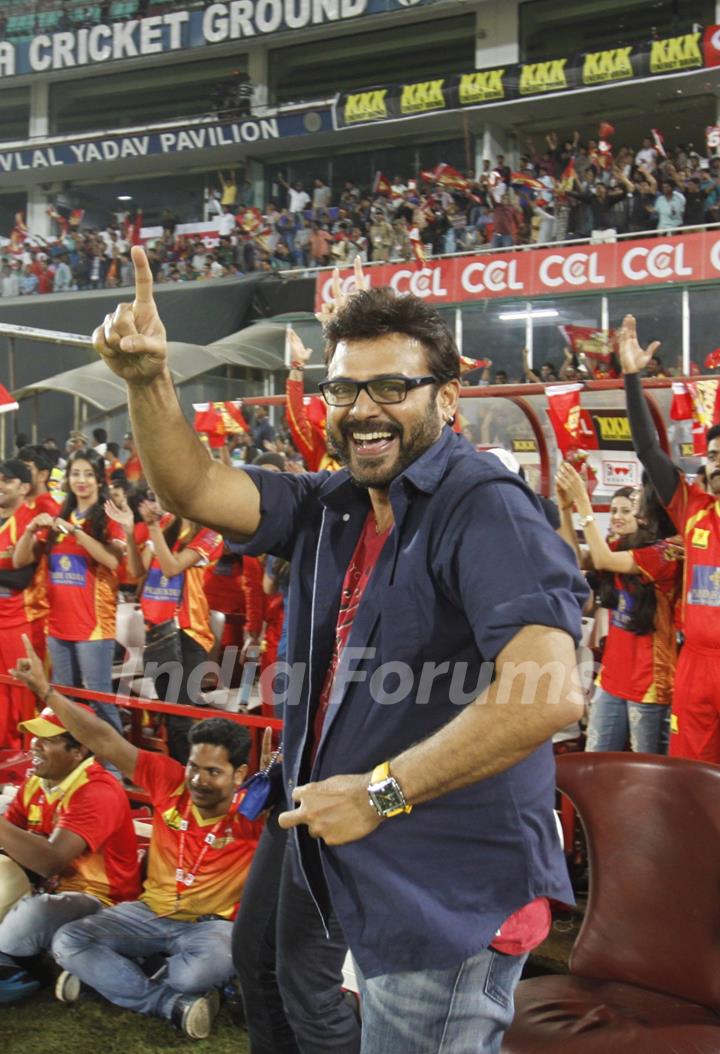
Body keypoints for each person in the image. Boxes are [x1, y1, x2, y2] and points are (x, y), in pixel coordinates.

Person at [91, 248, 587, 1053]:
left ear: (447, 399)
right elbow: (193, 487)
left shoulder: (484, 506)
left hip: (445, 865)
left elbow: (549, 693)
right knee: (274, 979)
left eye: (393, 386)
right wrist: (148, 380)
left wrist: (380, 795)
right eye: (346, 387)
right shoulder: (338, 502)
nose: (365, 408)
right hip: (324, 813)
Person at [10, 641, 262, 1040]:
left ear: (239, 773)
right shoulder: (168, 778)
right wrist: (47, 692)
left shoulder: (254, 812)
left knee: (193, 971)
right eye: (193, 767)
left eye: (212, 772)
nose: (196, 779)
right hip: (147, 914)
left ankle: (138, 977)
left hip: (211, 926)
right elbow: (105, 739)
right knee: (69, 941)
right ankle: (168, 1003)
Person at [619, 315, 720, 762]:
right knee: (692, 780)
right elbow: (647, 449)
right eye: (713, 456)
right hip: (695, 667)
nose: (716, 464)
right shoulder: (693, 506)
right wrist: (631, 376)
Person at [0, 696, 140, 1003]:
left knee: (30, 918)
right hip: (48, 890)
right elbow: (11, 844)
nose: (34, 745)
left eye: (47, 740)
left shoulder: (96, 790)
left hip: (102, 901)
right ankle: (45, 962)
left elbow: (51, 861)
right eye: (35, 736)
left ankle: (32, 968)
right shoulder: (39, 780)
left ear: (79, 750)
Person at [557, 466, 681, 754]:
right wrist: (565, 509)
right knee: (597, 765)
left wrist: (584, 503)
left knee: (648, 775)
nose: (621, 515)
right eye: (615, 510)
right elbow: (576, 558)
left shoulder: (668, 552)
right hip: (612, 680)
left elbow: (601, 558)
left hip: (650, 686)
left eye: (631, 506)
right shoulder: (621, 546)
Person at [12, 449, 125, 737]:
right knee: (62, 700)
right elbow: (20, 561)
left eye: (88, 474)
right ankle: (72, 763)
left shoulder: (107, 516)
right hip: (58, 625)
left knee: (98, 700)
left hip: (93, 627)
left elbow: (112, 562)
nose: (81, 480)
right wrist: (28, 531)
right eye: (76, 473)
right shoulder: (59, 516)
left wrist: (76, 532)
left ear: (99, 480)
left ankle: (114, 767)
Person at [106, 499, 222, 762]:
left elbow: (172, 567)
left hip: (189, 635)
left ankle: (188, 781)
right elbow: (136, 571)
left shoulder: (211, 533)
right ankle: (179, 779)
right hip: (157, 630)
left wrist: (153, 527)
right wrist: (128, 529)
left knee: (181, 718)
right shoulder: (166, 523)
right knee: (169, 716)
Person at [0, 460, 50, 747]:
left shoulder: (32, 520)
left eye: (6, 480)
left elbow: (22, 576)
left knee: (23, 689)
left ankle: (27, 751)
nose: (0, 485)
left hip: (22, 617)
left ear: (24, 487)